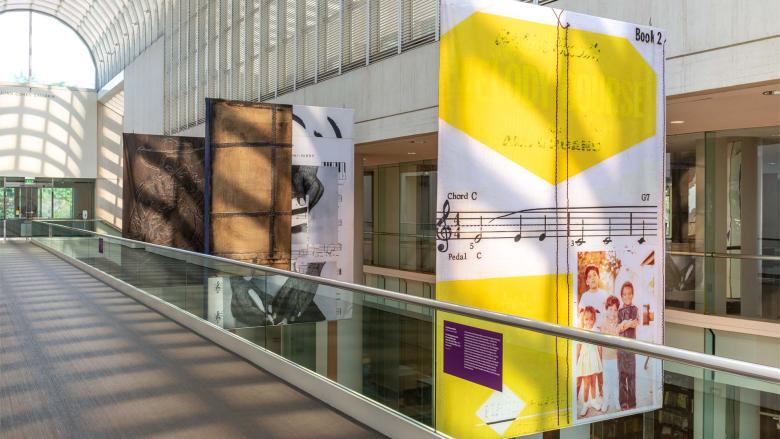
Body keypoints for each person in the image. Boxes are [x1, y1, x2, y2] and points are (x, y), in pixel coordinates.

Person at [576, 306, 603, 417]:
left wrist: (600, 358)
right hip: (585, 359)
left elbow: (598, 346)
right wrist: (577, 359)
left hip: (594, 358)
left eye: (591, 319)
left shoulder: (595, 331)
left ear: (594, 319)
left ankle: (593, 400)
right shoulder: (581, 331)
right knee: (586, 384)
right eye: (586, 319)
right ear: (583, 319)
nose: (588, 322)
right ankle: (585, 403)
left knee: (593, 382)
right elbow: (578, 346)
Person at [617, 281, 640, 410]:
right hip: (621, 348)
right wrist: (626, 323)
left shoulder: (635, 309)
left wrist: (625, 324)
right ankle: (623, 402)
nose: (627, 296)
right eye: (624, 294)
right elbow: (618, 328)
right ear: (621, 296)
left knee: (632, 376)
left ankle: (632, 402)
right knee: (622, 376)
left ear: (632, 294)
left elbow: (635, 323)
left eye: (629, 293)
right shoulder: (619, 311)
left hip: (631, 347)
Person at [598, 295, 621, 412]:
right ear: (606, 309)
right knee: (606, 381)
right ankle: (605, 402)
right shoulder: (603, 324)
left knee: (615, 380)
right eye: (610, 309)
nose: (613, 312)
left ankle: (616, 401)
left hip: (615, 357)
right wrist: (601, 358)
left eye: (615, 310)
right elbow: (601, 343)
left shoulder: (618, 324)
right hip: (606, 358)